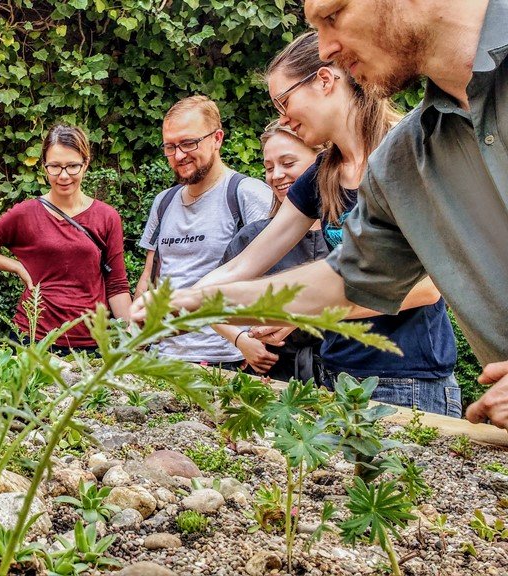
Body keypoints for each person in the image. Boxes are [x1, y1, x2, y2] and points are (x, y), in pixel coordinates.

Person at [134, 32, 462, 416]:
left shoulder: (406, 155)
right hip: (335, 373)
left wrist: (294, 311)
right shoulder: (322, 175)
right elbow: (245, 263)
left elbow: (426, 289)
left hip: (408, 380)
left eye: (284, 101)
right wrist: (177, 304)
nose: (282, 118)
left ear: (325, 81)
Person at [301, 0, 508, 427]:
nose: (323, 49)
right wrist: (201, 303)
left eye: (333, 15)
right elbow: (348, 279)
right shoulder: (403, 160)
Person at [0, 124, 131, 354]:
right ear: (44, 167)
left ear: (86, 163)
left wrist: (132, 338)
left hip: (90, 344)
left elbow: (116, 285)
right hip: (33, 339)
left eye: (72, 166)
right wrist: (16, 267)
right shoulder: (25, 213)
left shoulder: (106, 217)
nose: (63, 176)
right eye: (54, 166)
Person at [134, 96, 273, 367]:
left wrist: (247, 342)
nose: (179, 155)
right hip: (163, 358)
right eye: (170, 146)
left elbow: (272, 278)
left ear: (217, 138)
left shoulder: (247, 195)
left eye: (188, 143)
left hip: (227, 360)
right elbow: (150, 277)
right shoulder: (164, 201)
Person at [215, 121, 329, 381]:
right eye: (268, 168)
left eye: (287, 164)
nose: (276, 175)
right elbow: (215, 302)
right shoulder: (255, 237)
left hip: (344, 374)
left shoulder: (344, 228)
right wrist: (241, 339)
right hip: (272, 376)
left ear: (321, 161)